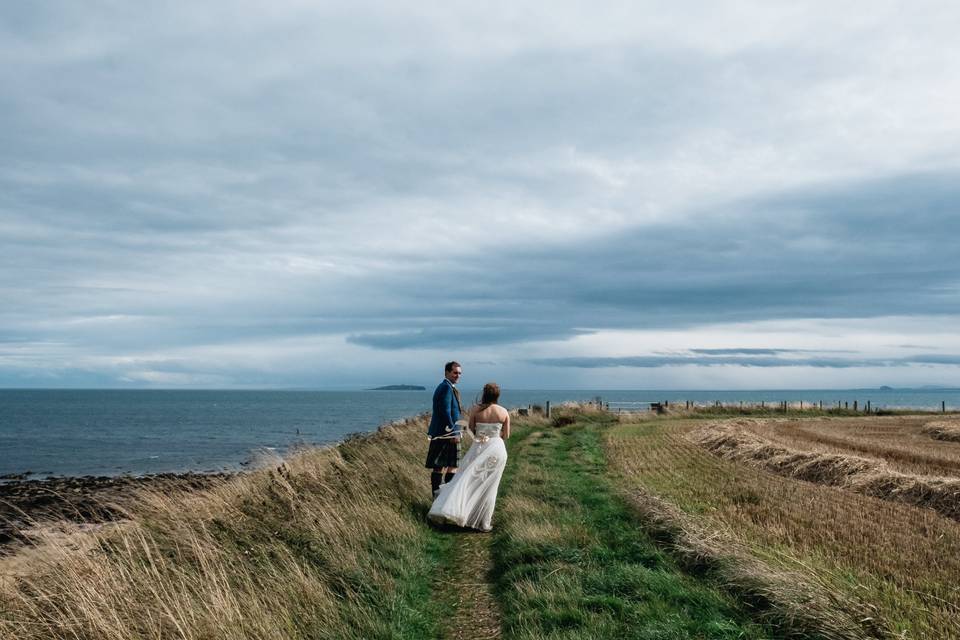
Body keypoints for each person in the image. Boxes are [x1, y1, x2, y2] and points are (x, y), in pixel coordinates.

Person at [428, 382, 510, 532]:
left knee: (468, 480)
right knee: (490, 487)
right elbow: (506, 435)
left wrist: (482, 436)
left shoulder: (475, 409)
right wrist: (494, 437)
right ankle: (483, 522)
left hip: (479, 447)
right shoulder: (504, 412)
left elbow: (471, 430)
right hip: (497, 450)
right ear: (498, 395)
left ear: (484, 393)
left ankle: (461, 512)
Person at [426, 361, 464, 497]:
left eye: (459, 373)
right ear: (447, 372)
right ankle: (443, 498)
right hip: (447, 434)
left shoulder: (446, 387)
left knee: (442, 466)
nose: (458, 375)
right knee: (448, 466)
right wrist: (454, 432)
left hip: (444, 433)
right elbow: (445, 411)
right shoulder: (446, 388)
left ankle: (441, 497)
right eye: (455, 373)